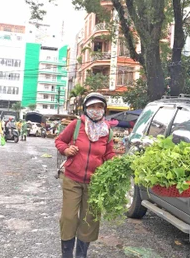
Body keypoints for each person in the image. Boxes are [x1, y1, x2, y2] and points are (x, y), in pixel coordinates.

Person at [55, 92, 115, 258]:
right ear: (85, 108)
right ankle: (67, 255)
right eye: (92, 106)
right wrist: (65, 149)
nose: (96, 110)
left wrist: (116, 164)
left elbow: (109, 153)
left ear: (104, 110)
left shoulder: (107, 130)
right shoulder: (75, 125)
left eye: (100, 107)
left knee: (89, 220)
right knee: (69, 217)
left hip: (95, 183)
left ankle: (81, 255)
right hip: (72, 179)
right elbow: (59, 140)